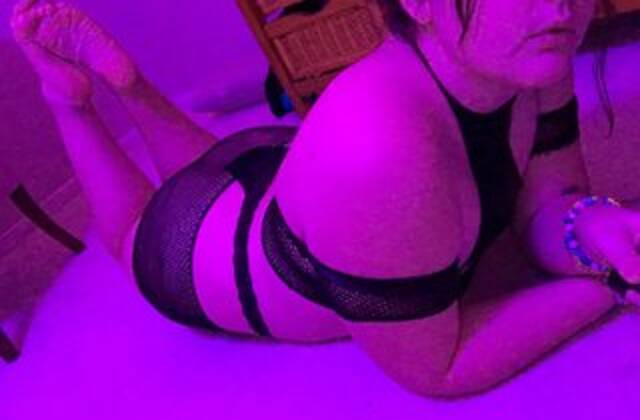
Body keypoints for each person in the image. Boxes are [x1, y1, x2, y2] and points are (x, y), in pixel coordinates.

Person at [9, 0, 640, 399]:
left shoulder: (529, 48)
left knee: (215, 164)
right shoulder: (381, 150)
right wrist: (611, 286)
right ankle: (70, 98)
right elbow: (438, 368)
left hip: (278, 168)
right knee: (132, 229)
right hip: (196, 253)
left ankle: (135, 90)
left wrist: (596, 229)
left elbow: (549, 202)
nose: (561, 8)